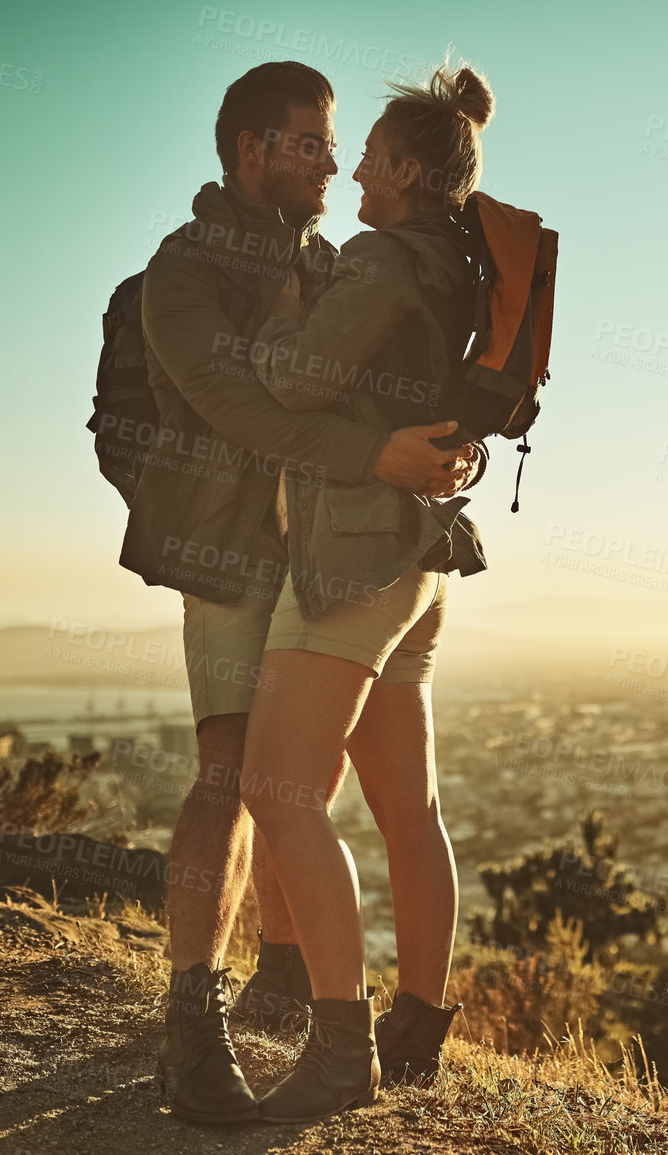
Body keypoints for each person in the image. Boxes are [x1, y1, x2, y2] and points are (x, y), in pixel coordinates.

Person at [130, 61, 484, 1124]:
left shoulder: (347, 259)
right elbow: (243, 411)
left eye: (346, 146)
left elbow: (344, 373)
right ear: (251, 150)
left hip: (343, 561)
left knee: (296, 789)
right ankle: (204, 1020)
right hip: (243, 554)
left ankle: (325, 1012)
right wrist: (382, 456)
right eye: (313, 144)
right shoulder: (184, 272)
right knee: (242, 778)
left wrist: (420, 450)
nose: (335, 162)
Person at [236, 61, 498, 1124]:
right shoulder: (459, 263)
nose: (350, 180)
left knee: (278, 790)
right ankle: (418, 1030)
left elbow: (294, 380)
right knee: (409, 810)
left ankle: (341, 1048)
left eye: (367, 163)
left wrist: (282, 318)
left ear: (398, 166)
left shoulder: (384, 259)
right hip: (426, 566)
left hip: (352, 561)